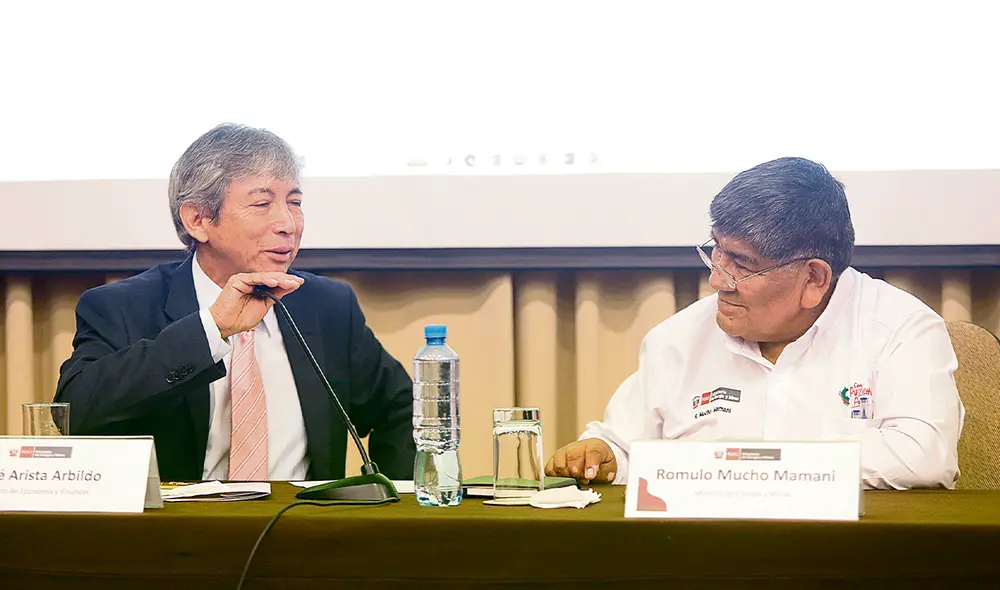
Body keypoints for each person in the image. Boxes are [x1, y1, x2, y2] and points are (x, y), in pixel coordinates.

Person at [546, 157, 964, 490]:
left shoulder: (900, 329)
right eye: (717, 252)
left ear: (814, 278)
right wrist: (602, 453)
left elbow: (923, 455)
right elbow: (624, 444)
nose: (716, 279)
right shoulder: (677, 338)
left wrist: (750, 469)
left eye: (741, 264)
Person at [55, 123, 415, 482]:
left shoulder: (327, 306)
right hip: (177, 532)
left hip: (300, 526)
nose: (288, 223)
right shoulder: (123, 307)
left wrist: (392, 504)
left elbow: (402, 408)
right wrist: (212, 329)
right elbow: (74, 412)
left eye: (295, 202)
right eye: (262, 203)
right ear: (198, 220)